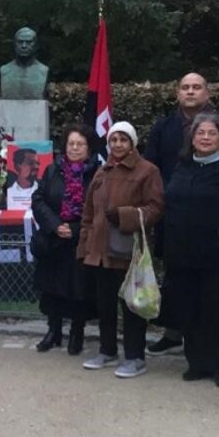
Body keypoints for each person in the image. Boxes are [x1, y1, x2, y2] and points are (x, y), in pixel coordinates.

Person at [163, 114, 219, 387]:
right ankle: (197, 363)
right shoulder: (182, 168)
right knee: (191, 312)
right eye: (200, 133)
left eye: (211, 133)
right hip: (184, 256)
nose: (204, 138)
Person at [77, 122, 164, 378]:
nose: (117, 144)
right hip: (100, 250)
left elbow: (156, 208)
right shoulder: (101, 172)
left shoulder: (148, 171)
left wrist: (126, 216)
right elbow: (88, 212)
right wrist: (85, 243)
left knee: (132, 307)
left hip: (129, 251)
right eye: (113, 139)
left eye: (123, 139)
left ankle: (135, 357)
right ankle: (107, 350)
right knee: (104, 305)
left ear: (133, 143)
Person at [143, 72, 216, 356]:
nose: (190, 92)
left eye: (197, 87)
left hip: (209, 216)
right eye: (185, 87)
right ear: (177, 93)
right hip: (171, 214)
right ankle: (173, 331)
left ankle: (203, 336)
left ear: (207, 93)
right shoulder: (165, 127)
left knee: (206, 280)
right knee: (174, 277)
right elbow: (151, 167)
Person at [30, 124, 99, 355]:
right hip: (54, 240)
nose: (75, 148)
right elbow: (38, 200)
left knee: (80, 291)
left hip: (81, 242)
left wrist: (76, 229)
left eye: (80, 144)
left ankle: (77, 333)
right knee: (52, 289)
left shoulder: (98, 174)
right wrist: (55, 225)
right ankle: (54, 331)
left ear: (89, 148)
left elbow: (99, 209)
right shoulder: (52, 170)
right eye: (71, 144)